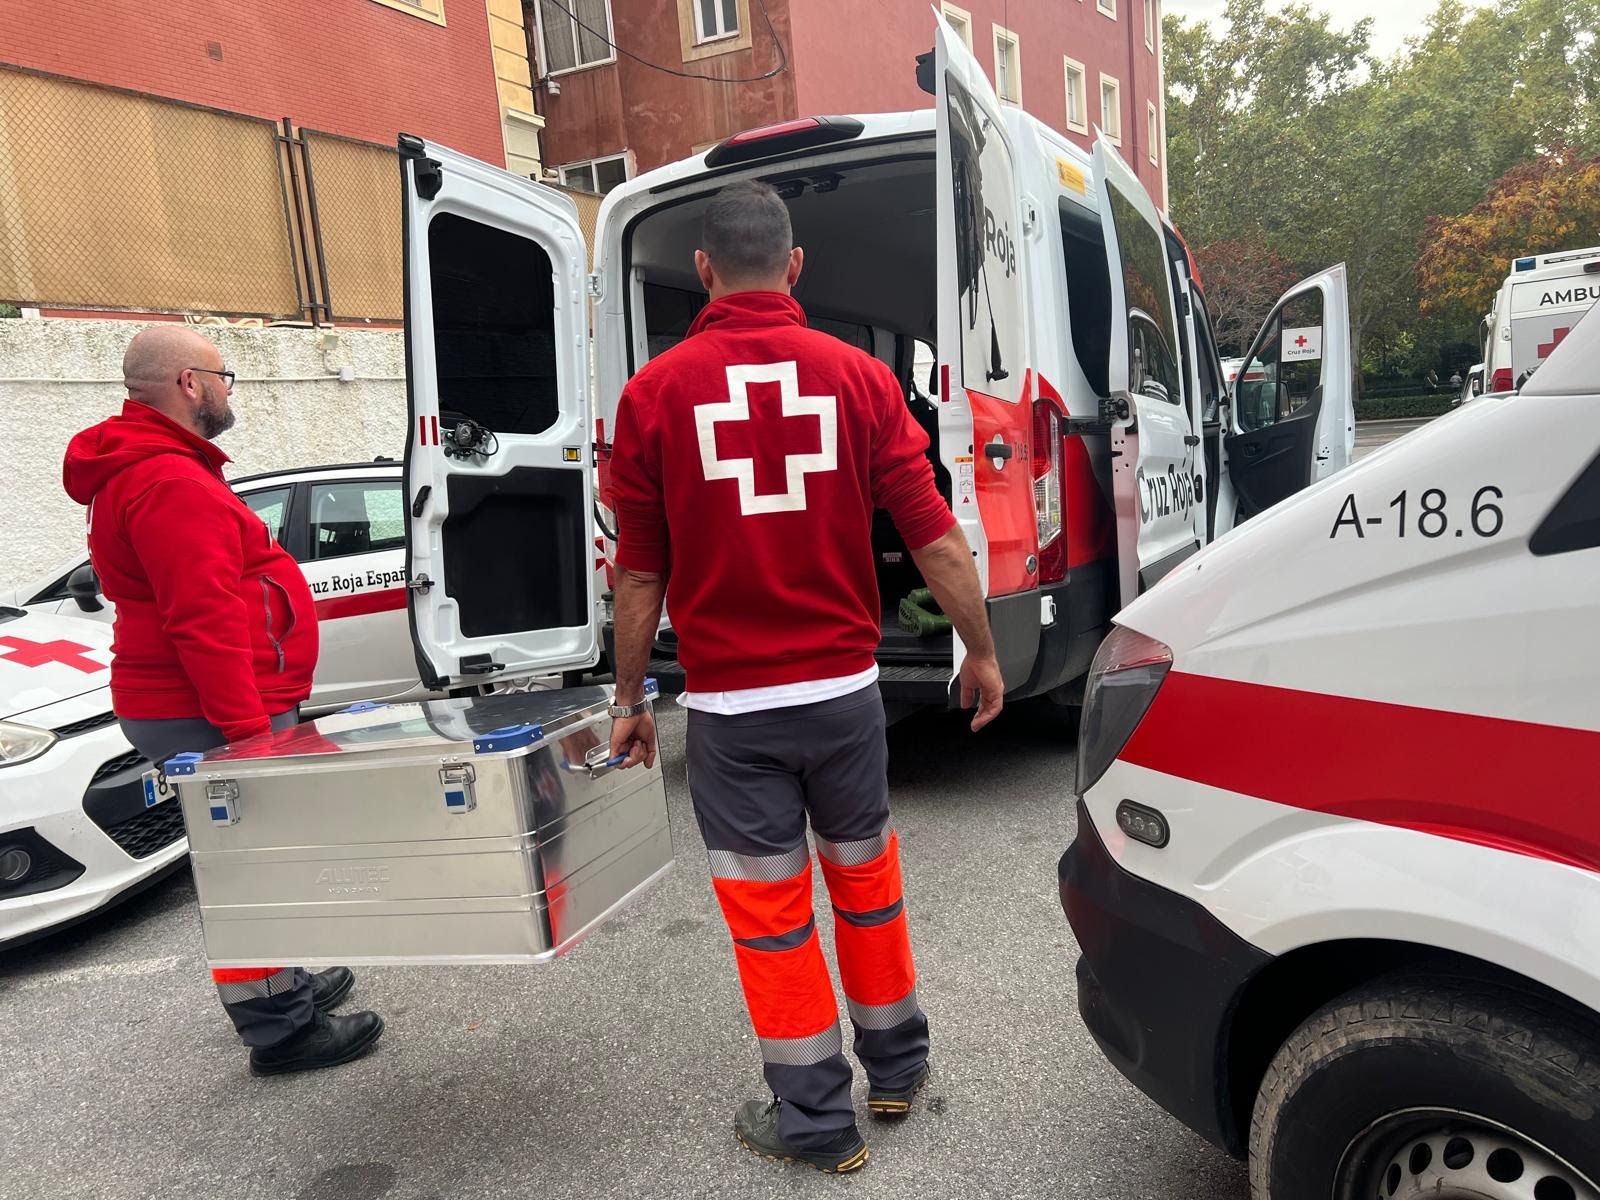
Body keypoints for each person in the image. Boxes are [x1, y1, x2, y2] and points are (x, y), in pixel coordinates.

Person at [605, 181, 1005, 1173]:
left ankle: (818, 1123)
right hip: (841, 700)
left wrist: (629, 701)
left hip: (734, 716)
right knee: (866, 888)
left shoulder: (653, 395)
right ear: (793, 267)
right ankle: (898, 1071)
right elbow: (937, 539)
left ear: (702, 271)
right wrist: (982, 652)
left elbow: (639, 574)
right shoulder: (860, 379)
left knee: (771, 920)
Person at [62, 326, 384, 1076]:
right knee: (244, 863)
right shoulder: (168, 482)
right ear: (187, 384)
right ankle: (281, 1028)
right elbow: (201, 621)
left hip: (191, 700)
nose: (228, 389)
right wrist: (250, 735)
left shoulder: (153, 467)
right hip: (205, 706)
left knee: (250, 854)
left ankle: (286, 981)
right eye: (223, 375)